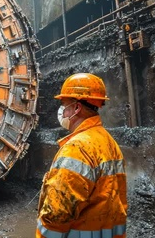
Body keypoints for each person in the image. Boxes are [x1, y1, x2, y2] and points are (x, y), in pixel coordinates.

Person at [36, 73, 127, 238]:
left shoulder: (76, 149)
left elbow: (57, 216)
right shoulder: (109, 142)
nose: (61, 112)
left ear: (76, 108)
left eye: (64, 105)